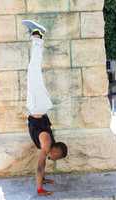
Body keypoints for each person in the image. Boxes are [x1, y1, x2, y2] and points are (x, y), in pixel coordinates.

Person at [22, 20, 68, 196]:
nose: (54, 159)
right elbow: (40, 165)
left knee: (33, 71)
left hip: (38, 106)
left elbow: (43, 165)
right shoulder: (47, 144)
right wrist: (39, 188)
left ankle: (36, 36)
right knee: (33, 70)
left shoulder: (48, 144)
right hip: (37, 105)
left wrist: (45, 179)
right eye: (58, 157)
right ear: (56, 150)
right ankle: (37, 36)